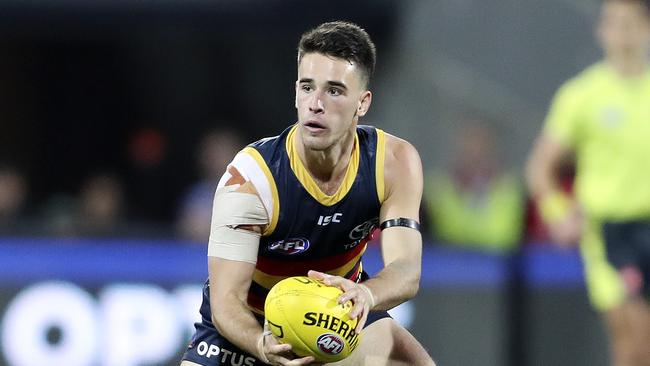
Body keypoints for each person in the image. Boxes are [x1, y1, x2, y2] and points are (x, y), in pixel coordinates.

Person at [181, 21, 435, 366]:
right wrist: (261, 344)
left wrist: (367, 294)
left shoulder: (393, 163)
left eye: (334, 90)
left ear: (363, 103)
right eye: (307, 87)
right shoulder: (252, 179)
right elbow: (226, 302)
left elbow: (406, 270)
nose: (315, 104)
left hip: (336, 314)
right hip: (251, 326)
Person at [526, 1, 650, 364]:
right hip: (611, 234)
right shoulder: (583, 96)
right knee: (634, 337)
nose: (622, 33)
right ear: (601, 31)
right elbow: (540, 167)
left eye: (631, 24)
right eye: (614, 24)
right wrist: (557, 213)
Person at [424, 120, 524, 253]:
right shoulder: (438, 189)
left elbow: (503, 235)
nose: (475, 156)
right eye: (469, 150)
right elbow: (445, 232)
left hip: (498, 269)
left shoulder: (509, 189)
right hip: (448, 266)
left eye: (482, 150)